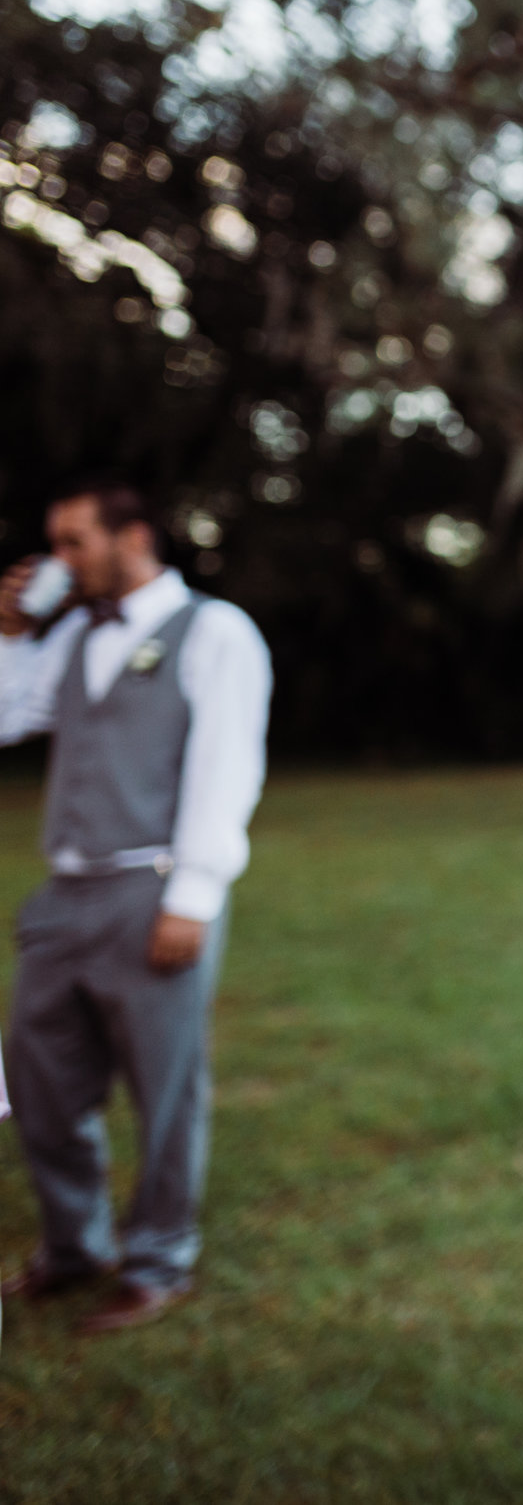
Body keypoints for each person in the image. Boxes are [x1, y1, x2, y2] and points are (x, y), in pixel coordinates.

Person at [0, 477, 272, 1334]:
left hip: (152, 884)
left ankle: (157, 1260)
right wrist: (10, 634)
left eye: (77, 541)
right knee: (36, 1080)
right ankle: (73, 1245)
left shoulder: (216, 630)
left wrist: (192, 892)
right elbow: (6, 718)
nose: (62, 561)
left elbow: (227, 764)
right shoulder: (77, 632)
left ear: (134, 535)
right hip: (65, 891)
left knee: (165, 1088)